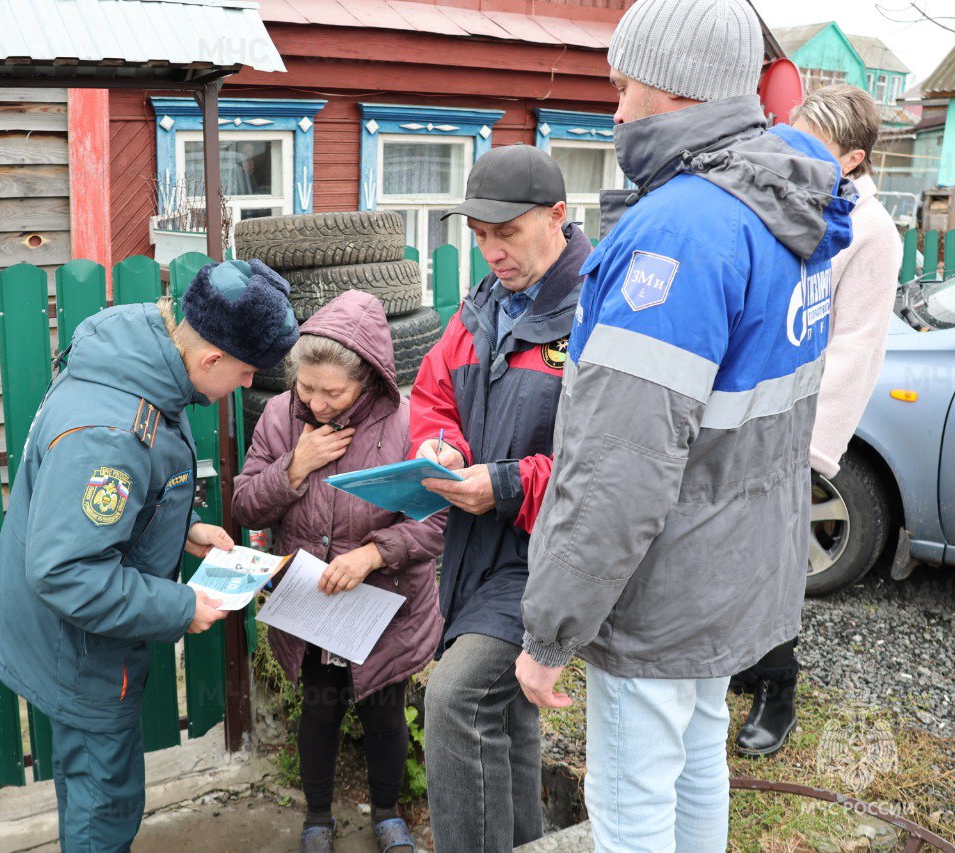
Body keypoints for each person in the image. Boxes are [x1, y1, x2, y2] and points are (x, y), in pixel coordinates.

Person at [514, 0, 856, 849]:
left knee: (631, 802)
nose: (617, 110)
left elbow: (619, 467)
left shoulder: (676, 231)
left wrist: (551, 632)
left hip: (663, 582)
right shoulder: (787, 203)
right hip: (736, 564)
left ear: (675, 91)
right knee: (698, 752)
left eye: (624, 86)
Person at [0, 259, 298, 852]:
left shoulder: (136, 362)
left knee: (92, 787)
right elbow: (66, 570)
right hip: (80, 652)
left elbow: (114, 509)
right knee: (105, 803)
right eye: (247, 372)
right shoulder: (114, 429)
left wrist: (185, 531)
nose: (249, 386)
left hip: (83, 640)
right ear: (209, 359)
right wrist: (182, 606)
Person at [409, 142, 592, 853]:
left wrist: (510, 484)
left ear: (558, 214)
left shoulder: (597, 310)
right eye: (479, 235)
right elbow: (431, 394)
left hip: (549, 554)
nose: (491, 251)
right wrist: (437, 445)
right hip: (475, 547)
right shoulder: (482, 308)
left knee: (455, 697)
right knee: (508, 716)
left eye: (507, 232)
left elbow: (603, 463)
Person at [233, 289, 444, 853]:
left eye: (333, 392)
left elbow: (438, 521)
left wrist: (373, 554)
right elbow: (247, 506)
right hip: (312, 602)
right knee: (320, 710)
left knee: (385, 713)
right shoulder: (280, 417)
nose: (317, 403)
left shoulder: (406, 422)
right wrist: (293, 467)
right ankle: (317, 819)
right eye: (307, 387)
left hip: (385, 602)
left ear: (368, 379)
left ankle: (386, 814)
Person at [733, 83, 903, 758]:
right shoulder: (774, 197)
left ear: (853, 158)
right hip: (743, 401)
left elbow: (858, 343)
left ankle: (779, 684)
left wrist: (809, 445)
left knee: (774, 557)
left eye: (814, 141)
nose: (791, 149)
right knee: (727, 549)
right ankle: (736, 657)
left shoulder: (872, 231)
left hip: (795, 418)